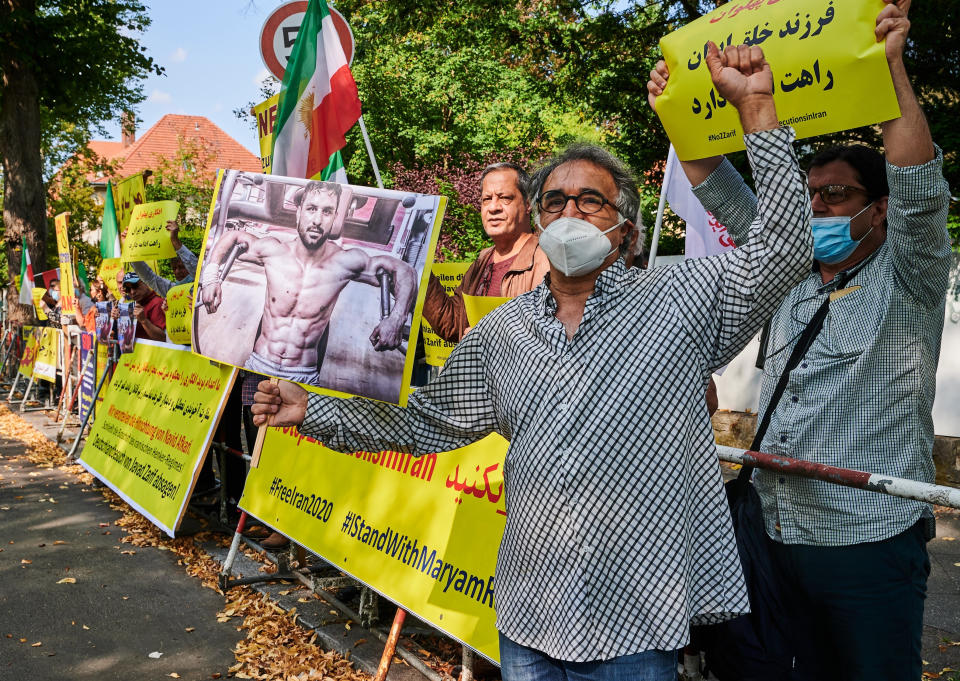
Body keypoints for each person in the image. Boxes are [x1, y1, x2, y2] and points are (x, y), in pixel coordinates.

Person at [253, 44, 812, 680]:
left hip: (637, 623)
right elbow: (422, 424)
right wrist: (311, 409)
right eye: (553, 201)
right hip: (529, 617)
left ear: (624, 230)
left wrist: (758, 109)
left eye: (590, 202)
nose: (569, 212)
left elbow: (787, 248)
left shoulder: (681, 297)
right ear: (538, 220)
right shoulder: (503, 332)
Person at [647, 2, 950, 679]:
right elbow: (718, 184)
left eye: (834, 195)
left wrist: (892, 66)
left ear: (880, 210)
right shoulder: (786, 268)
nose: (814, 208)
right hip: (771, 530)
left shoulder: (912, 276)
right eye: (809, 195)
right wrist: (677, 108)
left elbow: (919, 182)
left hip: (864, 545)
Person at [200, 180, 418, 386]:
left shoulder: (345, 261)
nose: (317, 220)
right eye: (311, 209)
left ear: (334, 219)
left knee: (297, 427)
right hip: (259, 363)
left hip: (303, 375)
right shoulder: (274, 251)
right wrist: (210, 278)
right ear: (299, 213)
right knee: (251, 421)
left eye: (327, 211)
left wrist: (396, 319)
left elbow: (405, 271)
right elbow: (233, 237)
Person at [422, 163, 550, 341]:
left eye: (504, 197)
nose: (493, 207)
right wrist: (420, 270)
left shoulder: (547, 259)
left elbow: (554, 335)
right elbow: (453, 325)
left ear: (528, 204)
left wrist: (493, 338)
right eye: (486, 199)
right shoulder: (482, 261)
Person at [130, 220, 198, 296]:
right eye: (174, 268)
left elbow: (195, 267)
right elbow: (149, 277)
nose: (177, 272)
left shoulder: (201, 286)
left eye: (181, 267)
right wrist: (131, 248)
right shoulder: (172, 291)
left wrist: (175, 241)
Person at [120, 272, 166, 341]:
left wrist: (144, 321)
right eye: (128, 289)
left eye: (135, 286)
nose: (132, 292)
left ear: (146, 282)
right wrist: (115, 320)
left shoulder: (158, 303)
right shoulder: (134, 305)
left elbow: (163, 338)